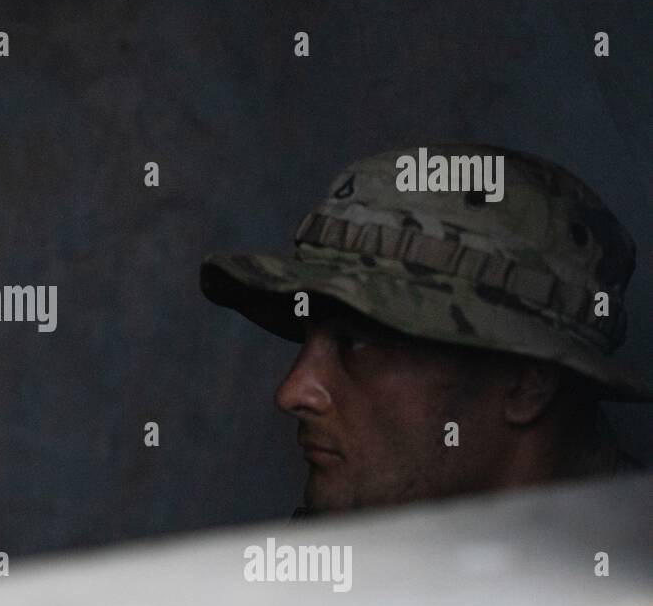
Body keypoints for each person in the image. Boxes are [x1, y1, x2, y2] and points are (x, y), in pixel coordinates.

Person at [199, 144, 650, 517]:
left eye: (358, 342)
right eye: (307, 336)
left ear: (528, 384)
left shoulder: (621, 601)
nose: (294, 391)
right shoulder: (341, 568)